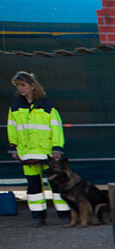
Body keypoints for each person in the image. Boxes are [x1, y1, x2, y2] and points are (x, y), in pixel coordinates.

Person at [7, 71, 70, 227]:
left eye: (23, 85)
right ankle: (38, 217)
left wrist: (57, 148)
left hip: (47, 153)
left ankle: (64, 216)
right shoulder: (15, 107)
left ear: (32, 86)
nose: (20, 89)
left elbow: (56, 128)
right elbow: (12, 128)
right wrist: (13, 147)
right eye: (18, 86)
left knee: (56, 185)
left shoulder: (47, 106)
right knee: (33, 186)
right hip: (26, 153)